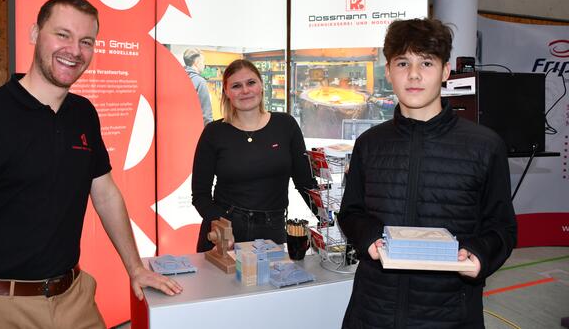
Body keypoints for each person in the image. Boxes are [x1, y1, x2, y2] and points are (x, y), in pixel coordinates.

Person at [0, 0, 182, 329]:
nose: (74, 50)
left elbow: (105, 193)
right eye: (63, 35)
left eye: (86, 41)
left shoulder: (83, 114)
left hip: (74, 297)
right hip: (0, 305)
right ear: (35, 33)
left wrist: (135, 268)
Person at [338, 18, 517, 328]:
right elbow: (351, 212)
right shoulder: (369, 144)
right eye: (403, 63)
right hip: (373, 311)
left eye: (427, 63)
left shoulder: (485, 146)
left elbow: (502, 227)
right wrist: (370, 238)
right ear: (388, 71)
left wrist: (479, 254)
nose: (414, 74)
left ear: (445, 71)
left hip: (450, 314)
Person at [191, 59, 315, 252]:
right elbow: (200, 195)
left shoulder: (285, 125)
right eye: (236, 86)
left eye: (251, 83)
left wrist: (330, 221)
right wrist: (220, 224)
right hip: (225, 232)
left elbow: (305, 182)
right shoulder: (214, 132)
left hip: (272, 231)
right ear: (226, 92)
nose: (245, 91)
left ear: (261, 85)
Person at [183, 48, 213, 125]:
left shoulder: (179, 79)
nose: (204, 65)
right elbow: (206, 114)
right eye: (203, 62)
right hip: (196, 127)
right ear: (196, 63)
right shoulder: (200, 82)